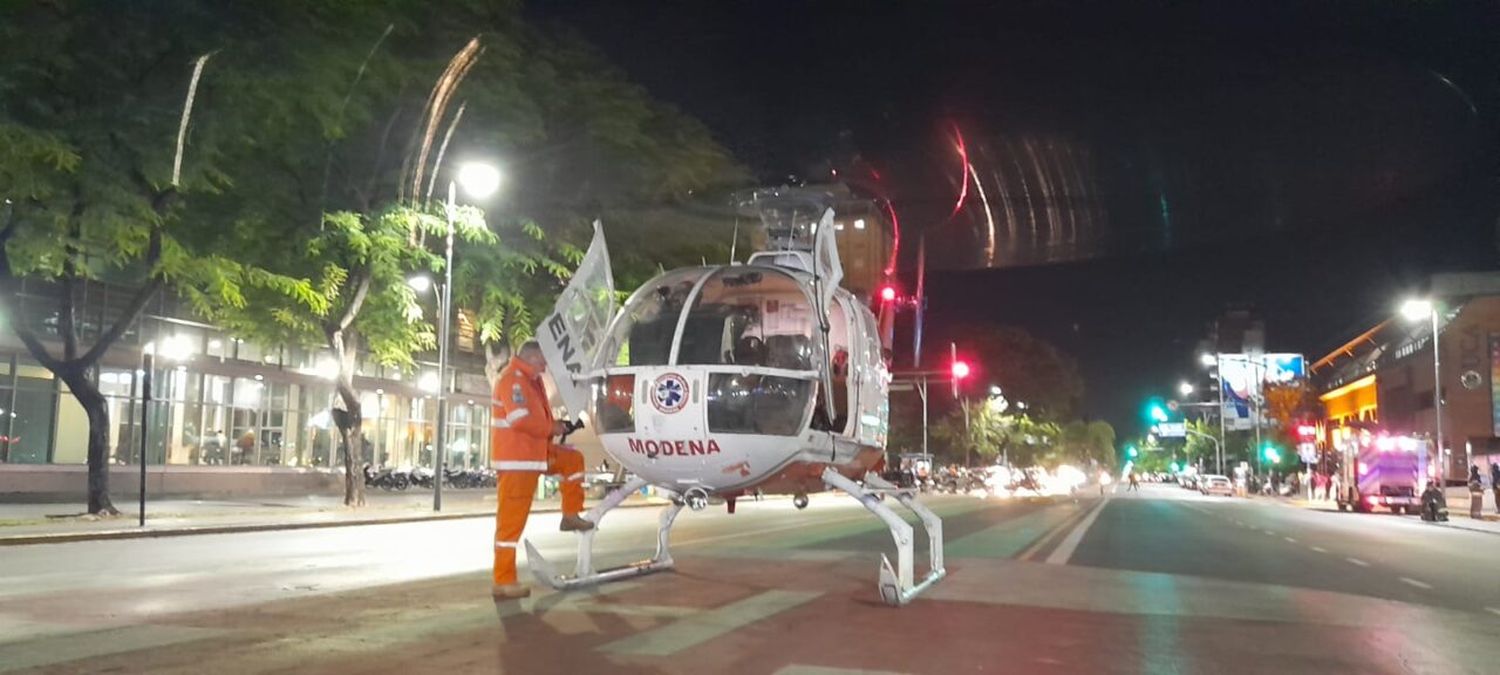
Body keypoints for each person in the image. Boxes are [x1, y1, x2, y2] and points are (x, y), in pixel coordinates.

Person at [491, 341, 593, 601]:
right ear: (532, 357)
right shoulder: (513, 381)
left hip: (536, 455)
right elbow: (520, 419)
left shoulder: (531, 380)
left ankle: (570, 514)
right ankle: (503, 581)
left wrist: (557, 425)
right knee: (510, 525)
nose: (546, 366)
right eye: (543, 361)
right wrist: (553, 428)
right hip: (518, 462)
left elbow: (536, 419)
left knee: (573, 461)